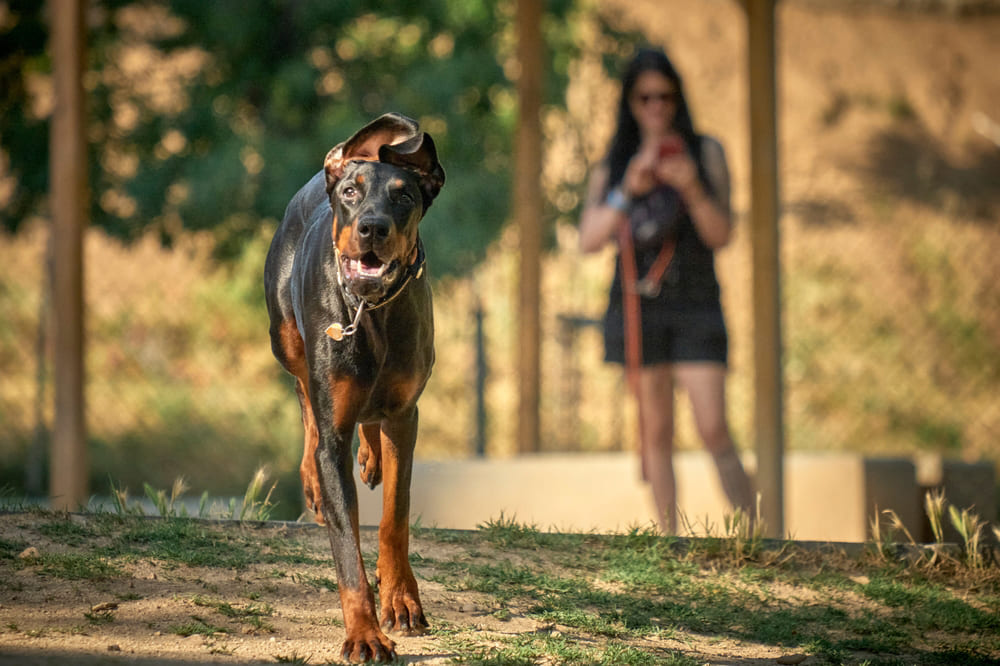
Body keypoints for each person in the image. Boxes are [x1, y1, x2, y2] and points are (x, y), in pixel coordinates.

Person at [579, 47, 753, 534]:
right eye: (645, 98)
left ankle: (759, 534)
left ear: (678, 99)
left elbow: (722, 234)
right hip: (638, 305)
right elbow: (588, 240)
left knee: (713, 426)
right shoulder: (615, 164)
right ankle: (669, 542)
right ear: (630, 103)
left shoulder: (706, 152)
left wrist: (692, 187)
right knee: (655, 429)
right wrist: (627, 190)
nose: (656, 107)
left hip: (696, 302)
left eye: (665, 97)